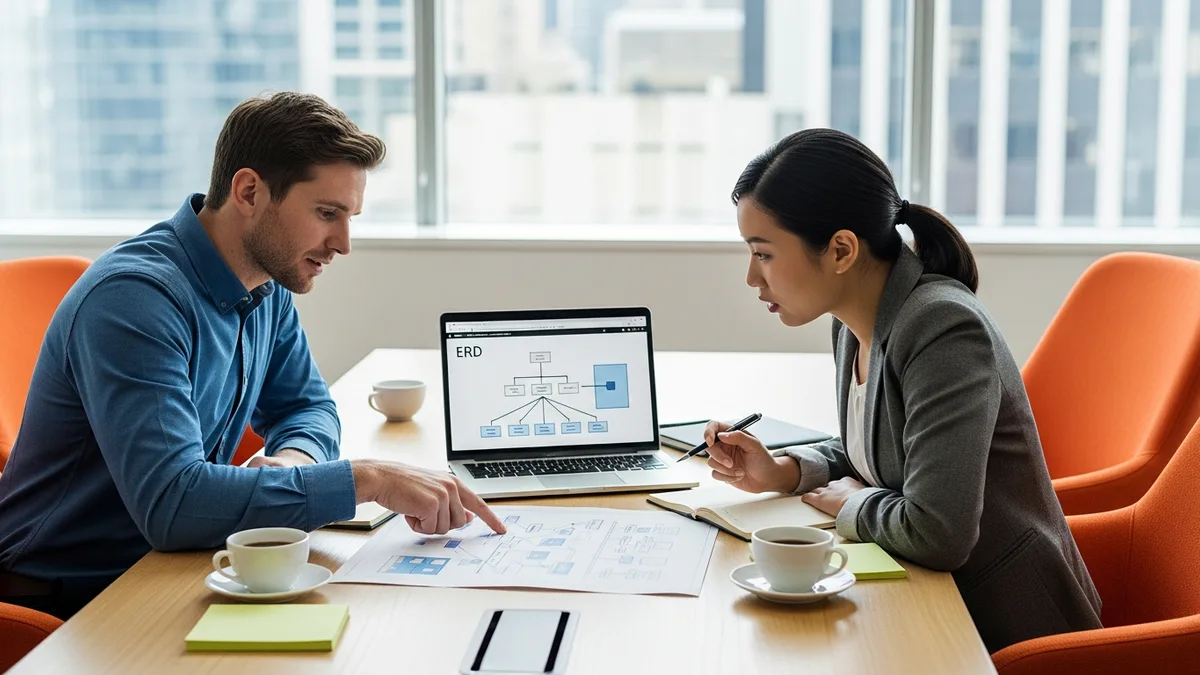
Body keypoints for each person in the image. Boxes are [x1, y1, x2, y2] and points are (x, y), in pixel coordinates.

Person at [0, 92, 505, 620]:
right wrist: (368, 479)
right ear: (248, 192)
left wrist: (292, 465)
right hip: (73, 595)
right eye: (327, 213)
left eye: (350, 217)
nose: (343, 243)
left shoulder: (265, 284)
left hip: (176, 562)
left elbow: (306, 408)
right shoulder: (134, 300)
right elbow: (173, 506)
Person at [703, 128, 1101, 653]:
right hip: (927, 602)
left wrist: (854, 504)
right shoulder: (851, 323)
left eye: (764, 254)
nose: (752, 278)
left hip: (1007, 628)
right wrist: (784, 471)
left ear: (841, 250)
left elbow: (938, 533)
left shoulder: (943, 328)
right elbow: (886, 454)